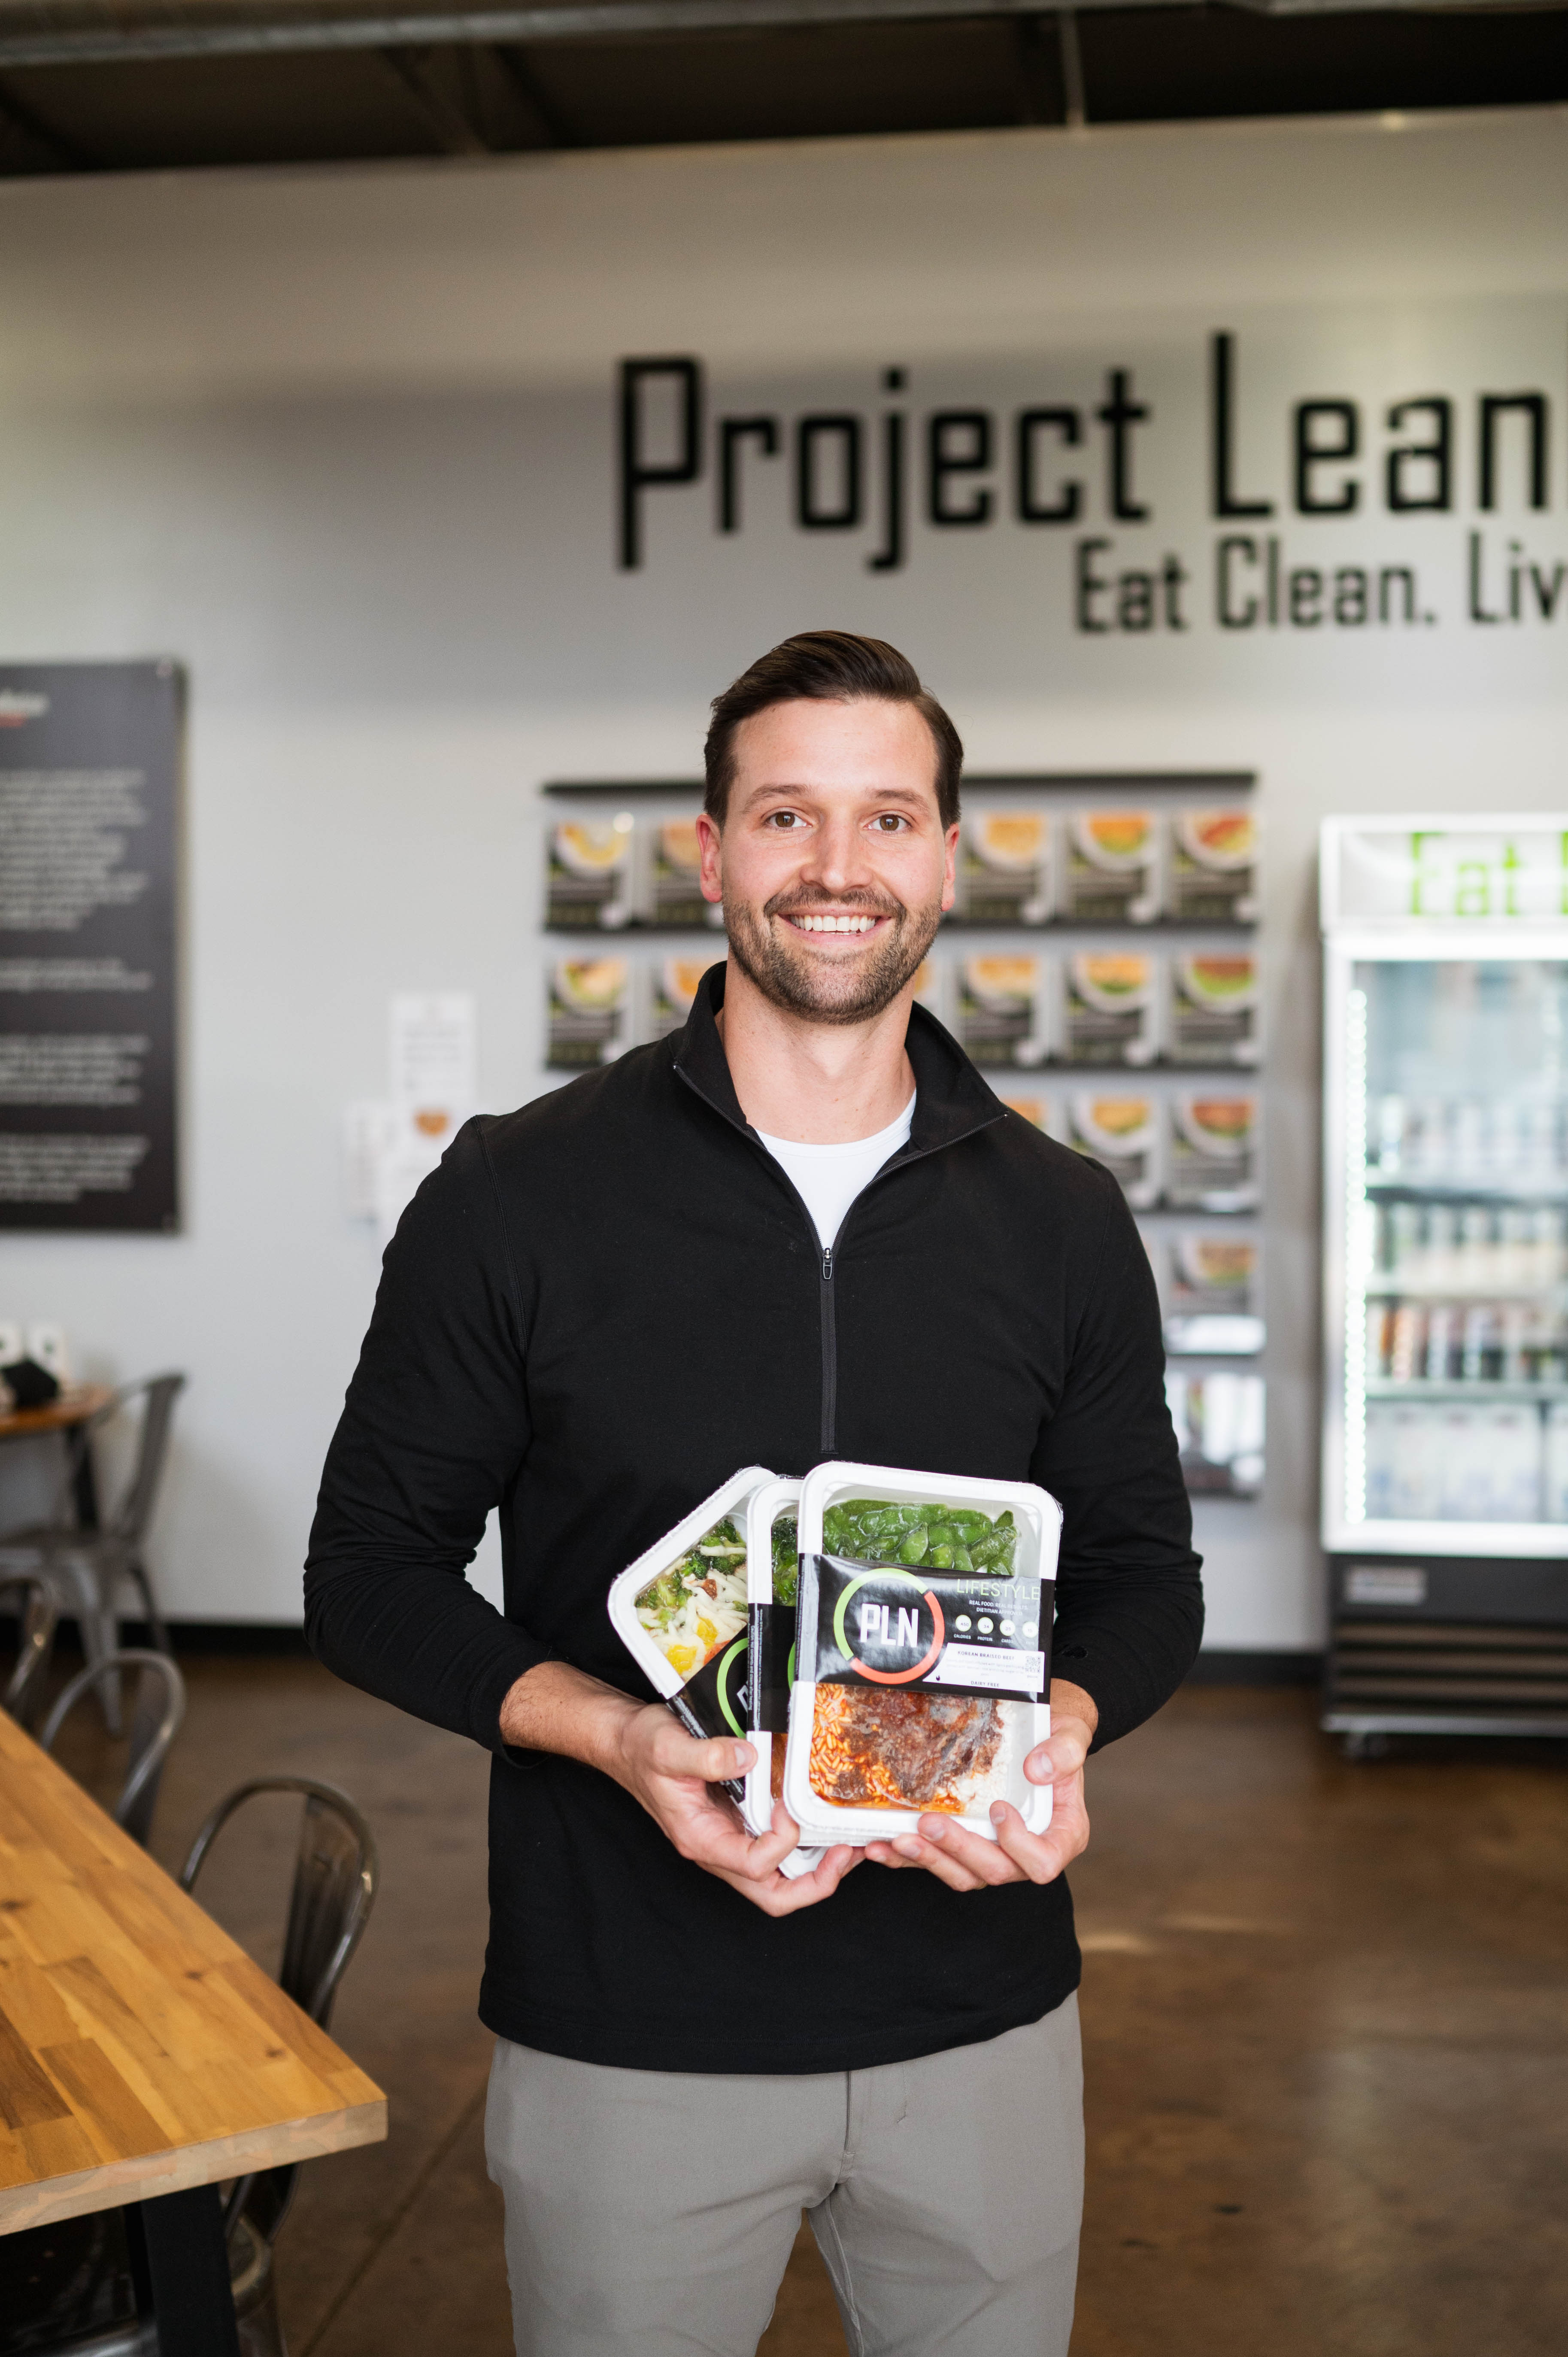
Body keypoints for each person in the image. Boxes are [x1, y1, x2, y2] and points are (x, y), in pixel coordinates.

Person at [305, 629, 1203, 2357]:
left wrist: (1064, 1725)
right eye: (786, 816)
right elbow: (366, 1572)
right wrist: (619, 1733)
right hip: (627, 2028)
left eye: (885, 817)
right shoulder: (516, 1194)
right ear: (710, 853)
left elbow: (1144, 1573)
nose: (837, 867)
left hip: (978, 2014)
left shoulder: (1059, 1217)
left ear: (946, 854)